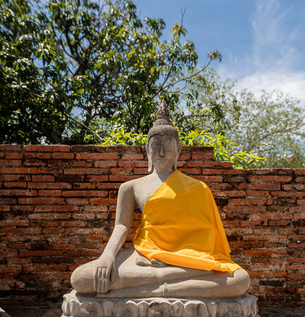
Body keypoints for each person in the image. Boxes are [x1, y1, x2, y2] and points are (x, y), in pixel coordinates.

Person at [71, 101, 250, 298]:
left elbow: (205, 238)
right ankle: (175, 280)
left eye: (167, 146)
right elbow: (122, 227)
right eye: (156, 146)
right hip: (143, 254)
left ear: (179, 150)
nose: (162, 152)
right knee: (81, 278)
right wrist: (107, 257)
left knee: (240, 279)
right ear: (147, 149)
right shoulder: (131, 187)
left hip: (189, 257)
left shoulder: (199, 188)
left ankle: (152, 288)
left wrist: (178, 261)